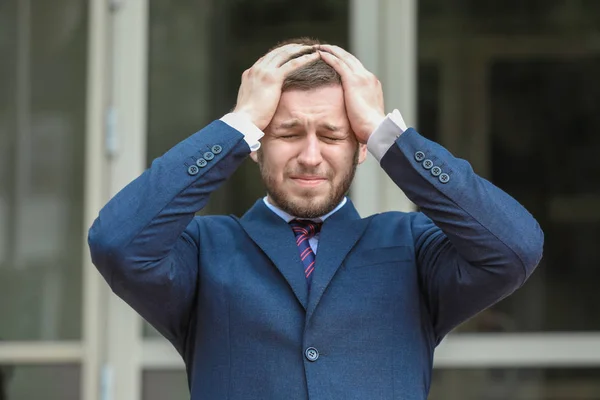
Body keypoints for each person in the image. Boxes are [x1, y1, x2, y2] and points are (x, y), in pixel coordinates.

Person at [88, 38, 544, 399]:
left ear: (361, 146)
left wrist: (391, 136)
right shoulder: (204, 248)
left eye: (332, 135)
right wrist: (237, 124)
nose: (310, 157)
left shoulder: (411, 244)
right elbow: (117, 243)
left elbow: (515, 248)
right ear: (256, 144)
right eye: (287, 133)